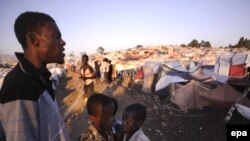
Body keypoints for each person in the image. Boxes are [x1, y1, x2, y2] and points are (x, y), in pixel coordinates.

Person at [0, 11, 70, 141]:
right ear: (34, 40)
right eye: (56, 36)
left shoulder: (39, 77)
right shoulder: (19, 87)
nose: (63, 42)